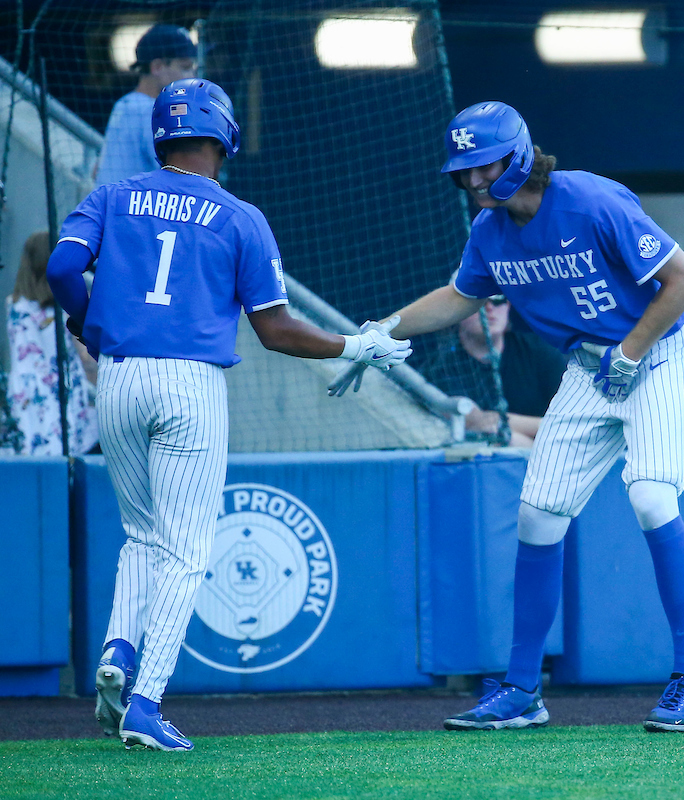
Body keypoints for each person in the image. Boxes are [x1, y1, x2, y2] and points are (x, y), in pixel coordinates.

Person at [46, 78, 412, 751]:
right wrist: (354, 344)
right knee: (186, 550)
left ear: (162, 132)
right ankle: (146, 704)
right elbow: (276, 330)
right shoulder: (239, 215)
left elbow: (62, 265)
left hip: (120, 377)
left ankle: (119, 652)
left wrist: (86, 322)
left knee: (142, 536)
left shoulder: (112, 194)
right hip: (190, 384)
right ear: (222, 132)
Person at [340, 101, 684, 732]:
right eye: (465, 171)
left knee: (651, 497)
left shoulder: (590, 201)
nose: (475, 181)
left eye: (483, 166)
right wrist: (382, 329)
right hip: (592, 366)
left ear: (516, 155)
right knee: (538, 515)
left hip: (658, 352)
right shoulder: (489, 232)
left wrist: (631, 351)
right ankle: (521, 689)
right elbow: (460, 296)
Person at [426, 294, 566, 446]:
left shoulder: (540, 353)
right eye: (478, 301)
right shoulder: (440, 370)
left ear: (508, 306)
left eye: (498, 300)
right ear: (456, 310)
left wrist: (494, 420)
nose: (489, 308)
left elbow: (570, 424)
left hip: (553, 450)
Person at [5, 231, 98, 456]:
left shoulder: (13, 304)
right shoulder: (67, 305)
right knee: (65, 451)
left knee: (27, 448)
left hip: (24, 388)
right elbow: (85, 356)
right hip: (61, 388)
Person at [95, 24, 197, 187]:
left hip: (111, 207)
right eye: (185, 67)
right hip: (131, 210)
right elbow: (180, 173)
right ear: (157, 67)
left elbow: (96, 170)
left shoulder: (124, 104)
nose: (192, 76)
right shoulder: (152, 110)